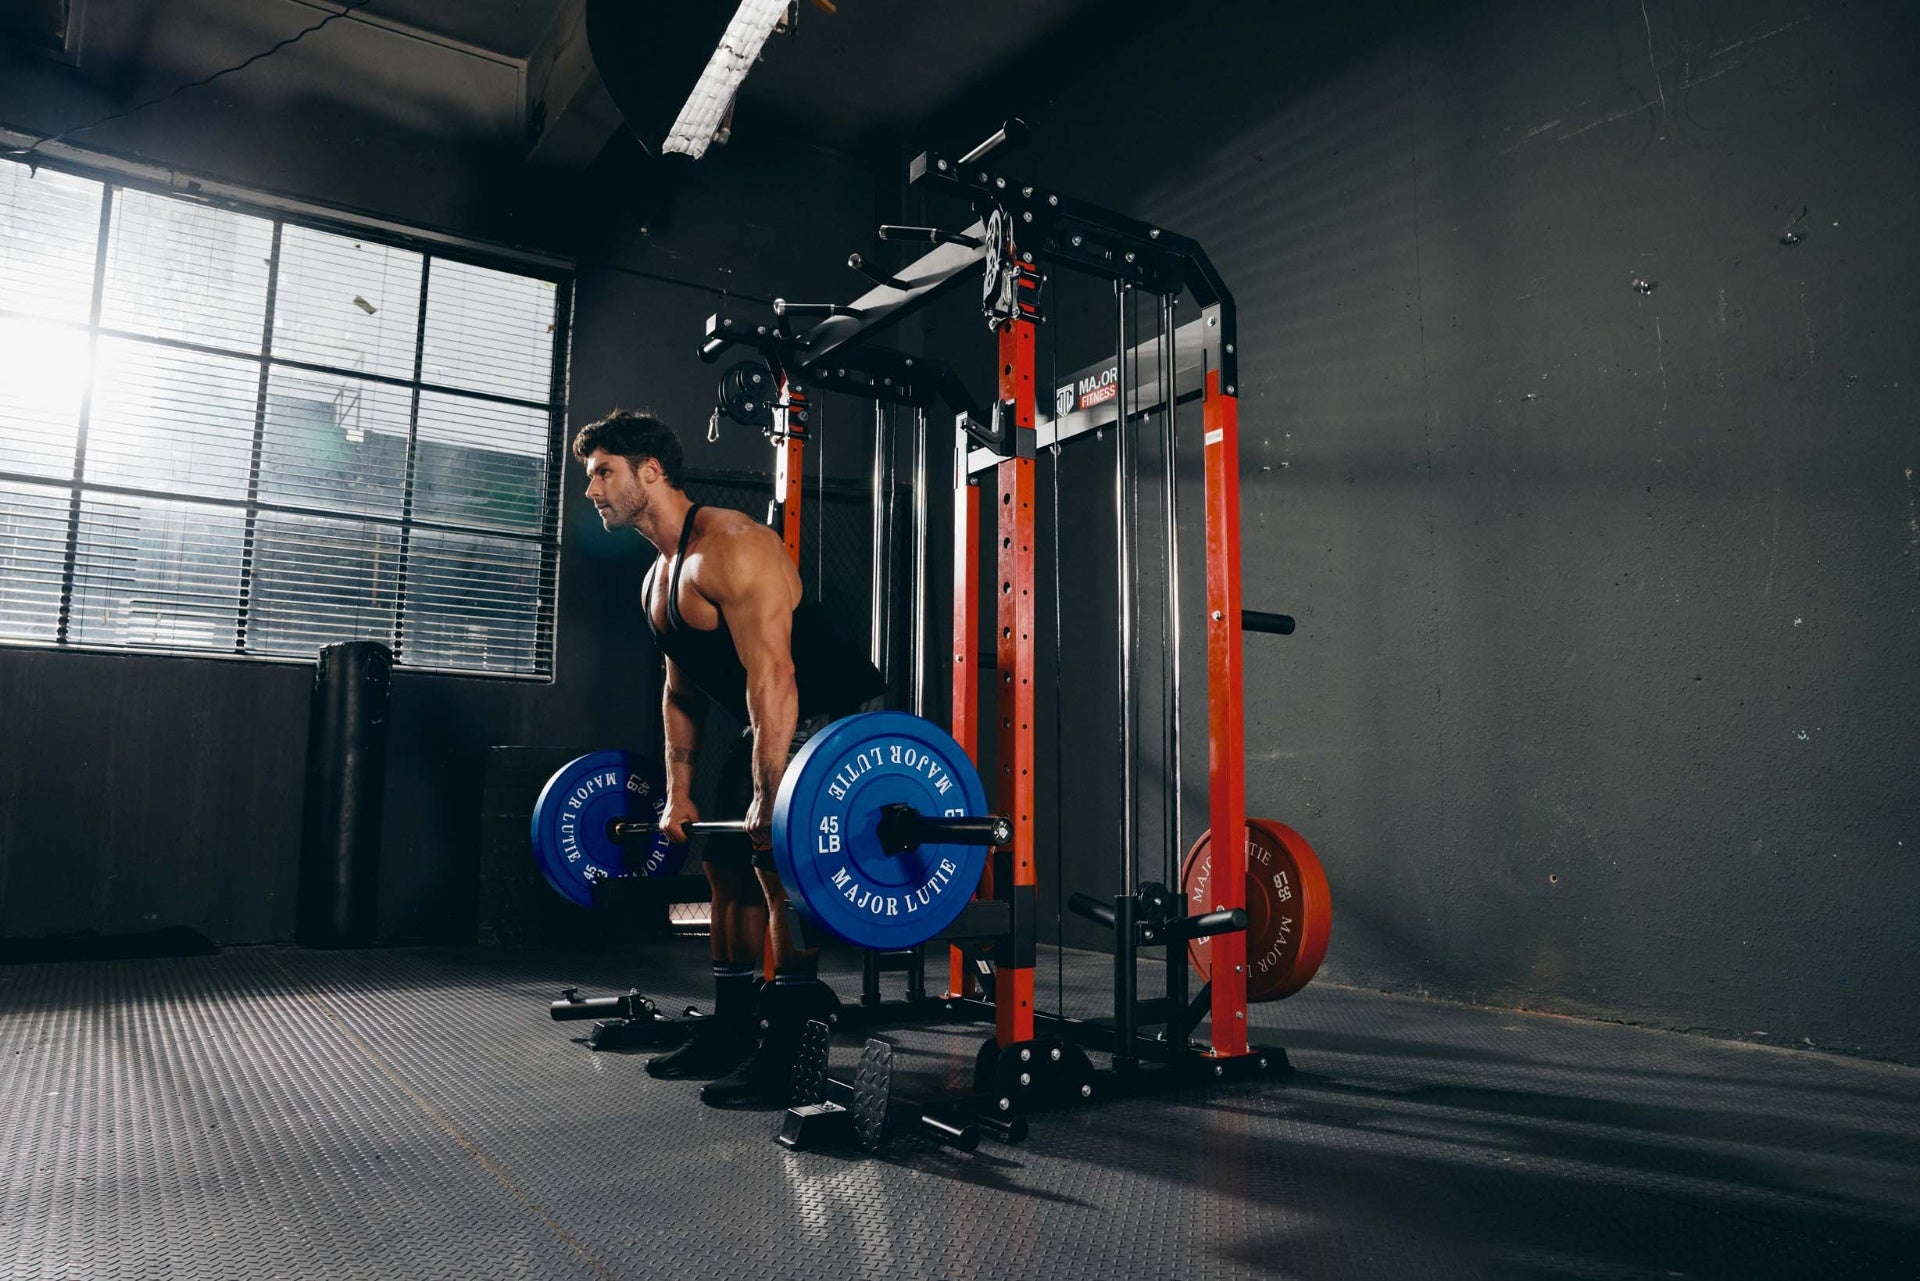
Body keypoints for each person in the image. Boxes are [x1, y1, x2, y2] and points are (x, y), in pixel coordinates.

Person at [573, 408, 886, 1107]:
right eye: (590, 476)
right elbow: (680, 689)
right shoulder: (657, 579)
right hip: (766, 720)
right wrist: (679, 794)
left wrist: (769, 794)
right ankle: (736, 1025)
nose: (591, 490)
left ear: (649, 471)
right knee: (721, 866)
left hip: (834, 718)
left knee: (775, 866)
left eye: (602, 473)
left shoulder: (735, 547)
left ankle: (791, 1048)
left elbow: (776, 674)